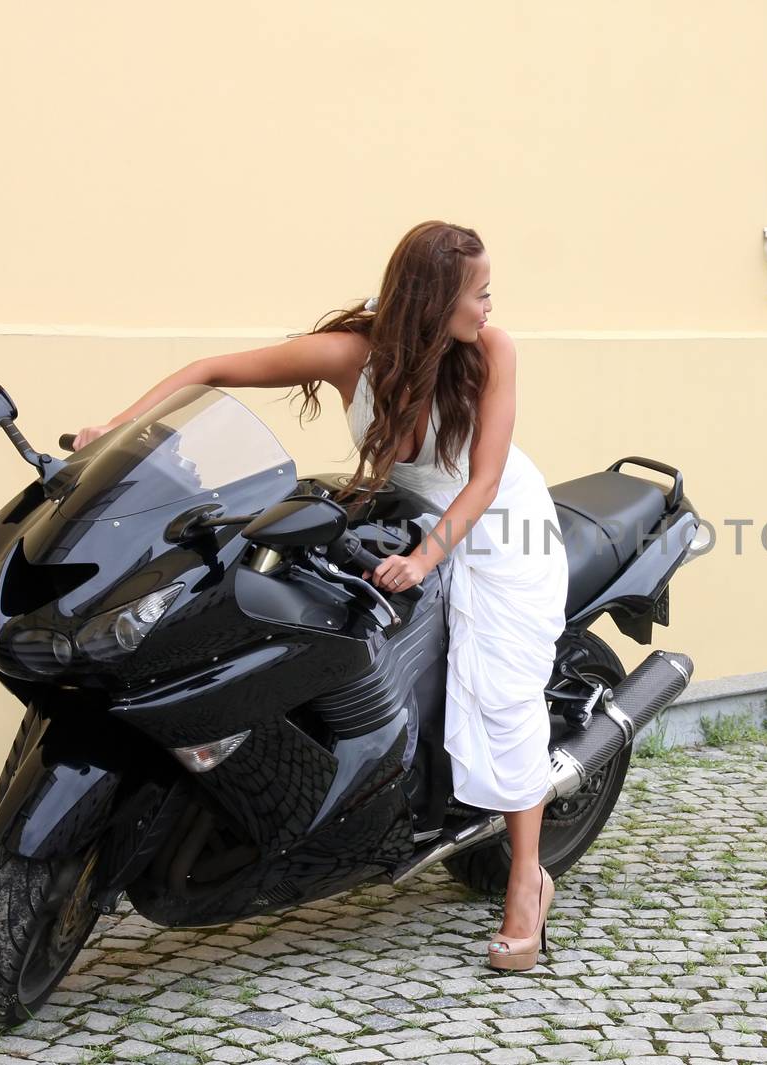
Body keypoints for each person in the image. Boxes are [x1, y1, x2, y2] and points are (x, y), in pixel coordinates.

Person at [74, 221, 563, 968]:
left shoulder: (493, 351)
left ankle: (527, 881)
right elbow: (215, 372)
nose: (490, 308)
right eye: (479, 294)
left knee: (502, 690)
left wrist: (430, 556)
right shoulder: (351, 354)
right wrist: (115, 429)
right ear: (434, 302)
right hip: (404, 516)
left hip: (499, 529)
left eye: (490, 293)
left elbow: (486, 478)